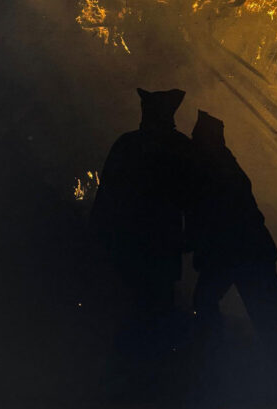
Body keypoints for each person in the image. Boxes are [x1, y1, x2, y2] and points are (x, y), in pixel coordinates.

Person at [186, 110, 277, 368]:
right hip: (244, 251)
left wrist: (191, 241)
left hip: (237, 252)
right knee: (264, 309)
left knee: (255, 308)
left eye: (197, 135)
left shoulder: (217, 168)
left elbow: (212, 213)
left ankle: (216, 357)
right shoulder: (221, 163)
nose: (194, 139)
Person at [90, 87, 191, 399]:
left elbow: (106, 195)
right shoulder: (179, 147)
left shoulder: (129, 144)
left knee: (137, 308)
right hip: (158, 245)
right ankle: (152, 381)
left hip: (135, 245)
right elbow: (198, 197)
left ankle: (136, 379)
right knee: (155, 308)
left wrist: (100, 235)